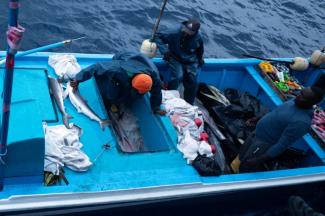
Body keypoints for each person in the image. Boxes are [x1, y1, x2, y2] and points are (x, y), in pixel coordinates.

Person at [237, 86, 324, 173]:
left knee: (246, 165)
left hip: (262, 144)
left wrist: (259, 159)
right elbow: (276, 112)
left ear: (312, 102)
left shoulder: (301, 122)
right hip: (255, 134)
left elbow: (282, 145)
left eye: (303, 96)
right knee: (242, 154)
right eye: (301, 92)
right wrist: (258, 118)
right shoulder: (294, 101)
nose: (298, 95)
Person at [70, 51, 166, 115]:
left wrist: (156, 107)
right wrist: (77, 79)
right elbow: (96, 67)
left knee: (133, 96)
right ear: (132, 82)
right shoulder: (118, 69)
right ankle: (110, 102)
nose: (139, 92)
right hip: (122, 57)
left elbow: (157, 92)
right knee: (112, 90)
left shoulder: (155, 78)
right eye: (137, 90)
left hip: (140, 62)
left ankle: (120, 101)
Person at [155, 18, 204, 105]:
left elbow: (200, 50)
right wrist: (165, 51)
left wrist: (200, 59)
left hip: (190, 60)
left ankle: (189, 104)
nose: (186, 32)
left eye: (190, 31)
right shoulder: (174, 32)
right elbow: (157, 36)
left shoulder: (198, 37)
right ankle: (168, 99)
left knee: (193, 82)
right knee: (178, 76)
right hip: (175, 57)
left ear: (195, 32)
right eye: (186, 29)